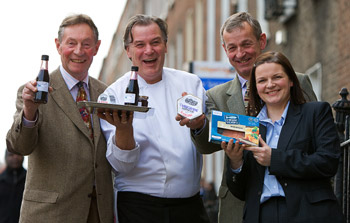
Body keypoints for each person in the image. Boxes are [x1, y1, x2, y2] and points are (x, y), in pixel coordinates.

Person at [176, 12, 318, 223]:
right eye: (232, 47)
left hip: (297, 199)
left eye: (246, 44)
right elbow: (207, 146)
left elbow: (318, 139)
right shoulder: (215, 96)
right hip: (240, 205)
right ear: (225, 50)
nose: (240, 53)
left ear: (262, 41)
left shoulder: (296, 82)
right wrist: (199, 125)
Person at [98, 14, 210, 223]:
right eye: (140, 44)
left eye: (155, 42)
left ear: (166, 46)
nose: (149, 50)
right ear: (128, 51)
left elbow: (207, 139)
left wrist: (199, 125)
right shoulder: (114, 95)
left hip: (190, 206)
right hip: (139, 207)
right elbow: (121, 165)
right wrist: (124, 129)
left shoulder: (190, 83)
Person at [6, 14, 114, 223]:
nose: (78, 51)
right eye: (71, 43)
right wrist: (29, 111)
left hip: (98, 214)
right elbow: (19, 147)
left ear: (97, 47)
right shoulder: (33, 92)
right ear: (58, 45)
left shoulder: (107, 94)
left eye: (86, 44)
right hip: (49, 215)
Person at [223, 51, 344, 222]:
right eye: (262, 80)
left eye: (277, 77)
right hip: (261, 215)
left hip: (309, 213)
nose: (270, 85)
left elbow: (328, 162)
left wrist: (275, 159)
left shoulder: (315, 112)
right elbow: (240, 191)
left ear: (291, 80)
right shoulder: (250, 126)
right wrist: (236, 163)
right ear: (256, 89)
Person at [0, 150, 26, 223]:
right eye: (11, 155)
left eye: (18, 154)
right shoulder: (1, 180)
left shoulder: (30, 181)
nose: (15, 157)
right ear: (5, 157)